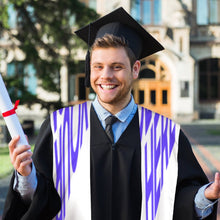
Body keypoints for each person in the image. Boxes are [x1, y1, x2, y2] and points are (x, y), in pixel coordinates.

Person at [2, 7, 220, 220]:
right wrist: (25, 176)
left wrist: (205, 196)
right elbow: (43, 200)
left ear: (135, 69)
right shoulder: (61, 127)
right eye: (98, 66)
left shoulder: (165, 133)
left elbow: (180, 197)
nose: (105, 76)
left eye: (116, 67)